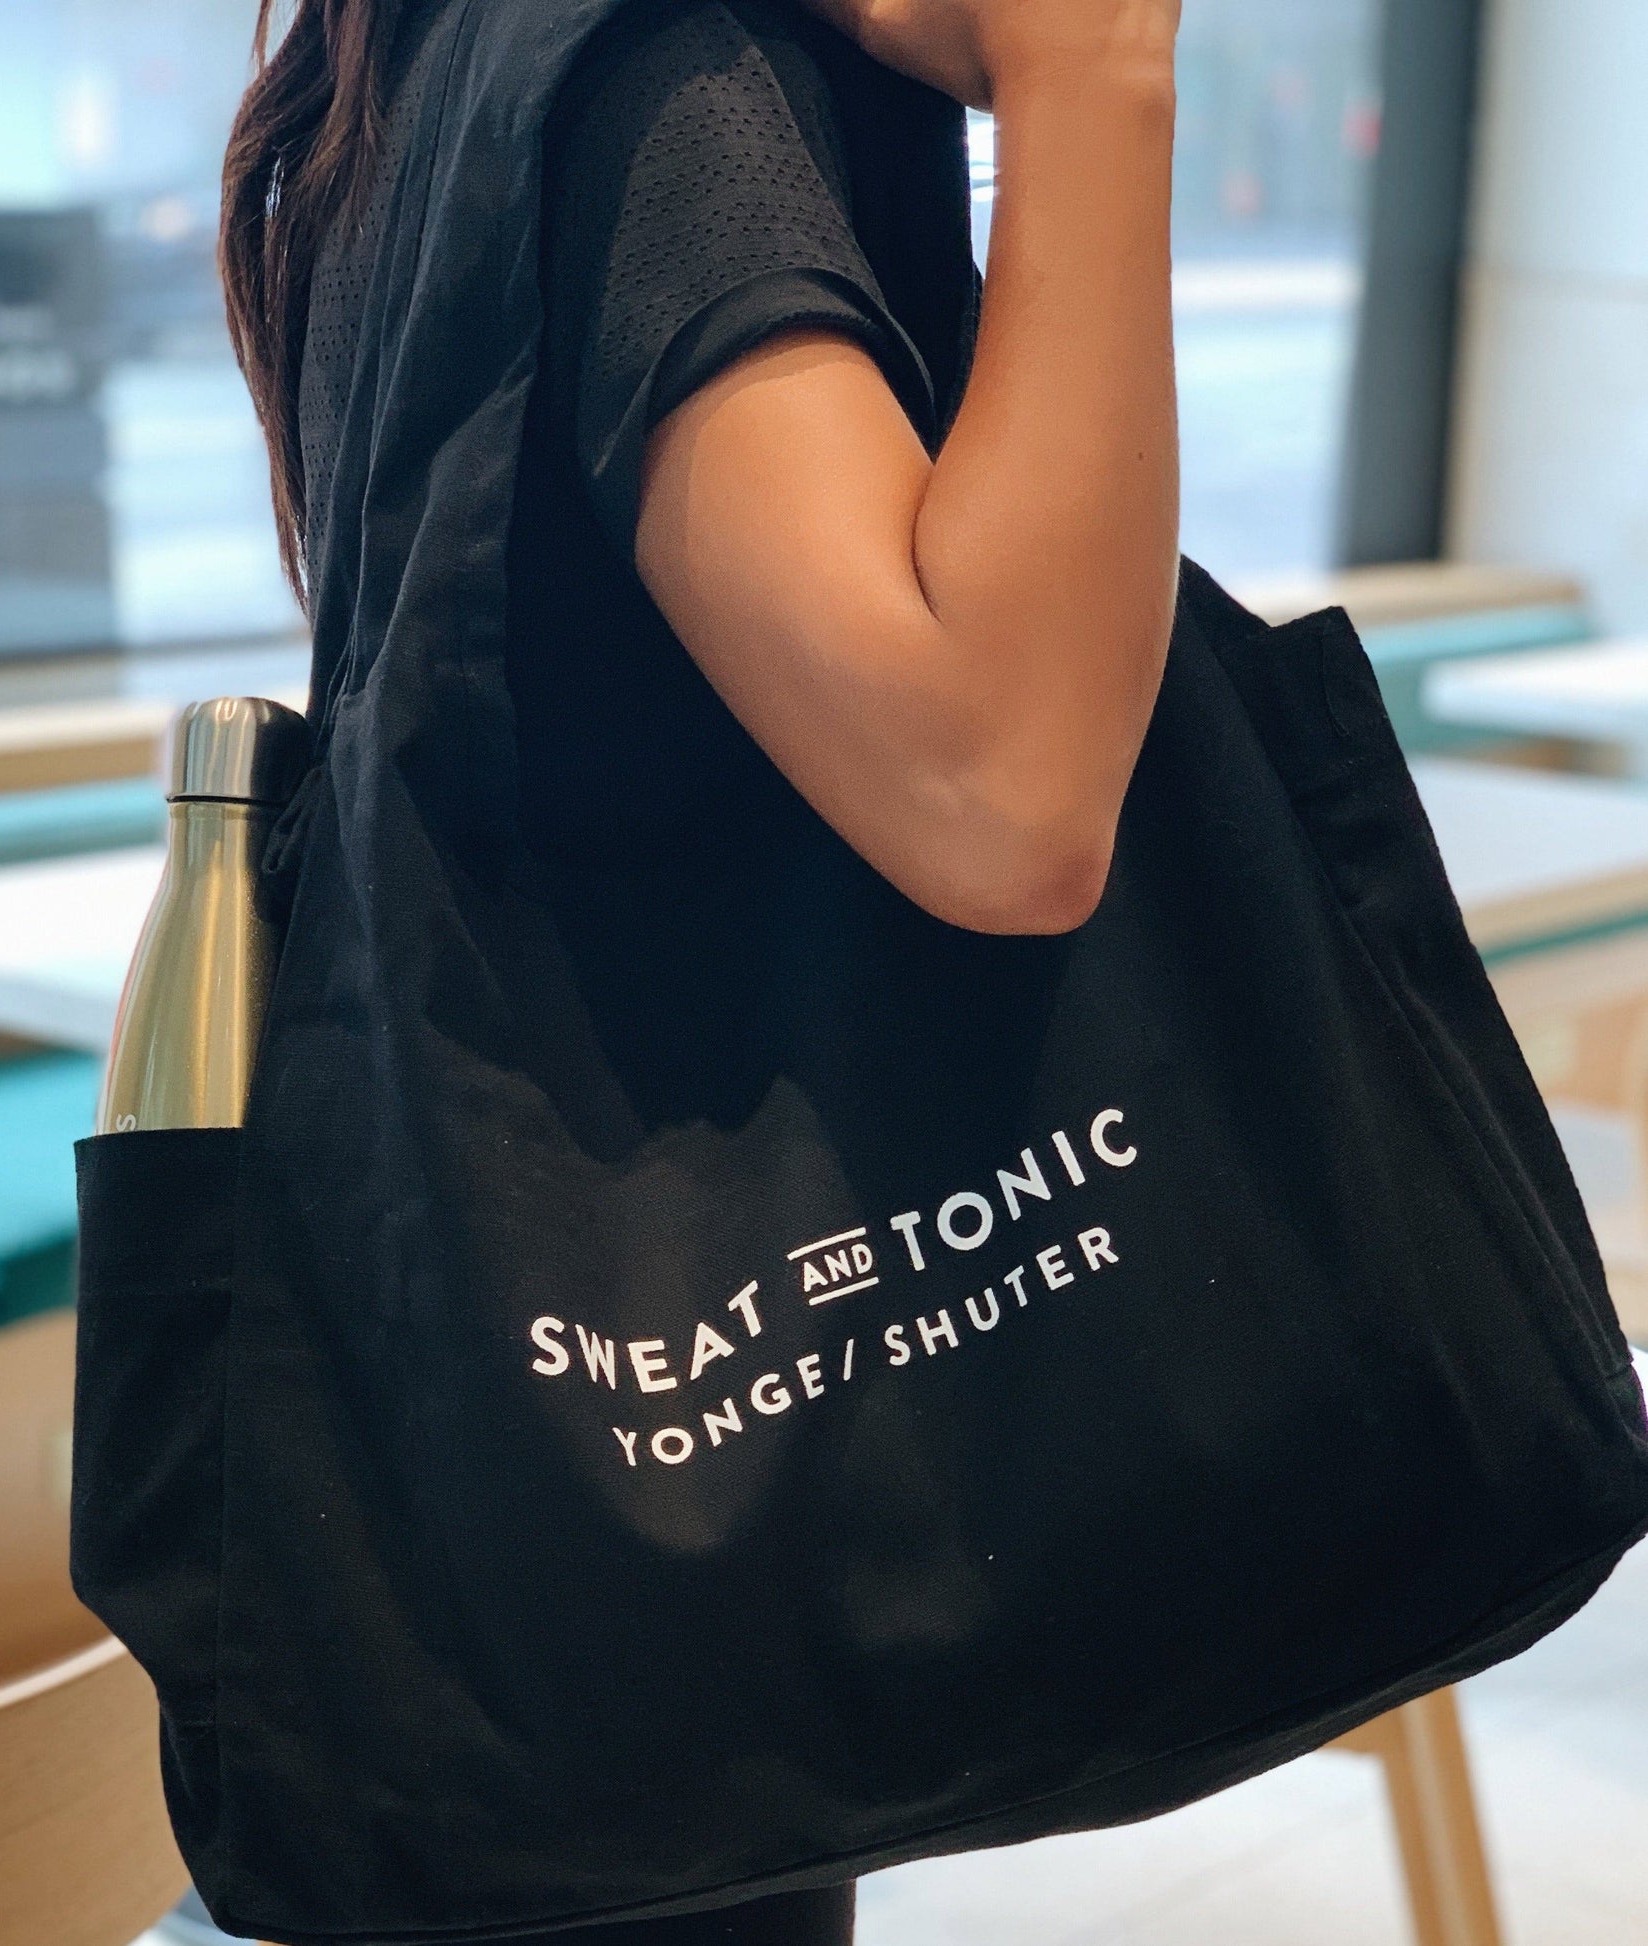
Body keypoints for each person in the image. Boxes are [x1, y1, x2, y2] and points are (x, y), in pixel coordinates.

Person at [219, 0, 1181, 1936]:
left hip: (527, 1429)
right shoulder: (660, 96)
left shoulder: (433, 71)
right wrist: (1097, 73)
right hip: (640, 1559)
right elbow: (1002, 796)